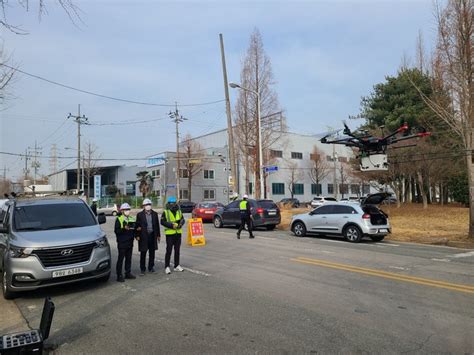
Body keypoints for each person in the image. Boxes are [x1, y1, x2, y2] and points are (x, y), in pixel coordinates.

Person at [135, 198, 160, 275]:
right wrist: (137, 235)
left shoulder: (155, 214)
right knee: (143, 252)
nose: (148, 206)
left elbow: (157, 225)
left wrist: (158, 235)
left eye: (149, 204)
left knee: (152, 253)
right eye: (146, 205)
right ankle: (142, 269)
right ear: (143, 206)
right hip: (143, 236)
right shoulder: (140, 215)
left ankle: (151, 267)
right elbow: (137, 226)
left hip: (152, 235)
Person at [161, 196, 185, 274]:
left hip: (178, 233)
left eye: (174, 203)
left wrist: (180, 224)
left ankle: (177, 265)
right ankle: (167, 266)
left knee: (177, 250)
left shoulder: (179, 211)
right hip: (170, 234)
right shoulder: (166, 212)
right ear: (169, 203)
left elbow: (182, 219)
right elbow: (162, 222)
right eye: (171, 203)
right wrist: (171, 225)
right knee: (169, 250)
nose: (173, 204)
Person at [114, 203, 137, 282]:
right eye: (126, 210)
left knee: (129, 258)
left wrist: (137, 232)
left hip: (130, 242)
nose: (127, 211)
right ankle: (119, 275)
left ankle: (128, 273)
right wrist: (124, 228)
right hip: (122, 242)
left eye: (128, 210)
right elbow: (117, 231)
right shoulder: (119, 219)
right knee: (121, 259)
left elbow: (134, 229)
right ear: (122, 211)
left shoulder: (132, 218)